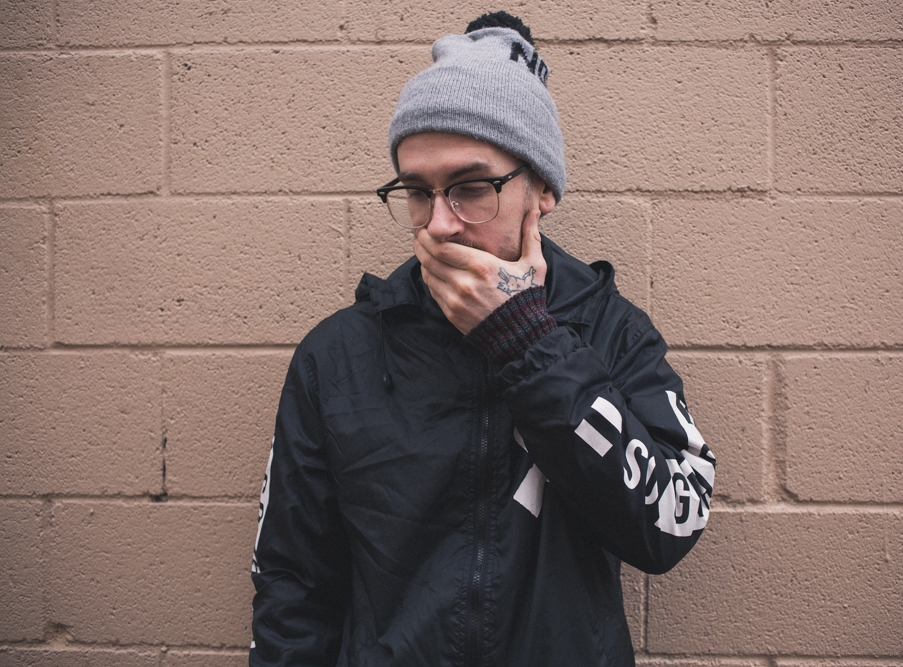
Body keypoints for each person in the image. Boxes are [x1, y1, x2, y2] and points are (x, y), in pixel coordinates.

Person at [249, 12, 715, 666]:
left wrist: (528, 343)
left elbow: (669, 525)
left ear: (541, 190)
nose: (438, 224)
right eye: (418, 191)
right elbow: (293, 586)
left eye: (471, 188)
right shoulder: (338, 356)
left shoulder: (612, 333)